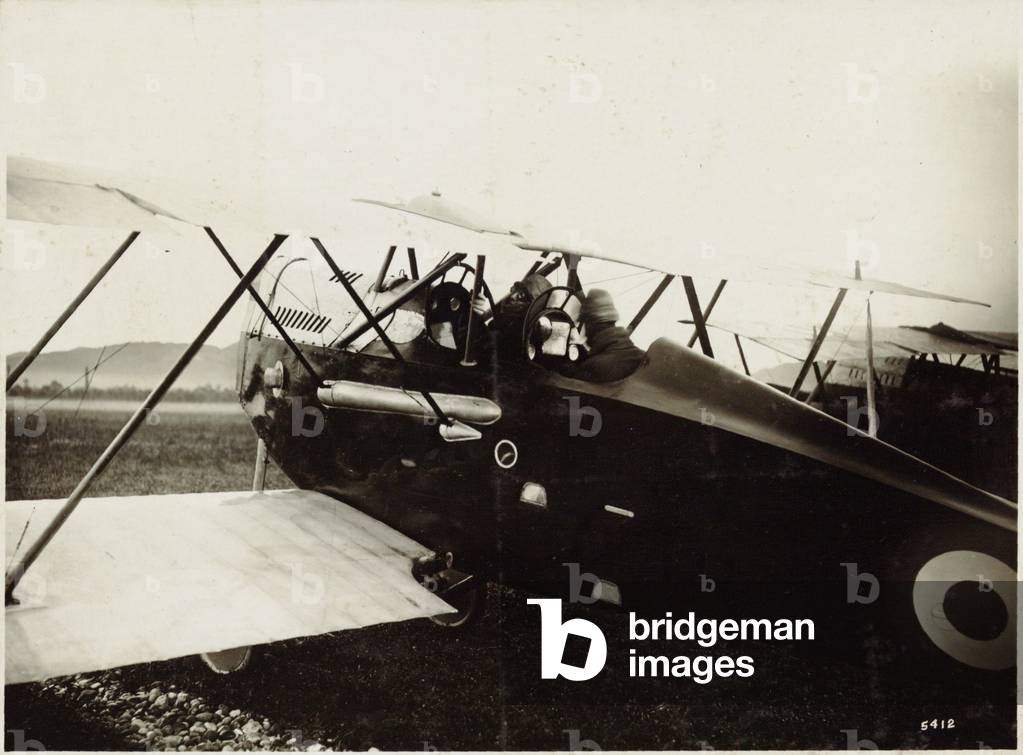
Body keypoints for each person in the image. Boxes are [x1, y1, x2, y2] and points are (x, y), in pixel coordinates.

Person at [562, 288, 647, 382]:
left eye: (585, 323)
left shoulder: (594, 366)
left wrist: (566, 367)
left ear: (591, 324)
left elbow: (572, 392)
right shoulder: (643, 357)